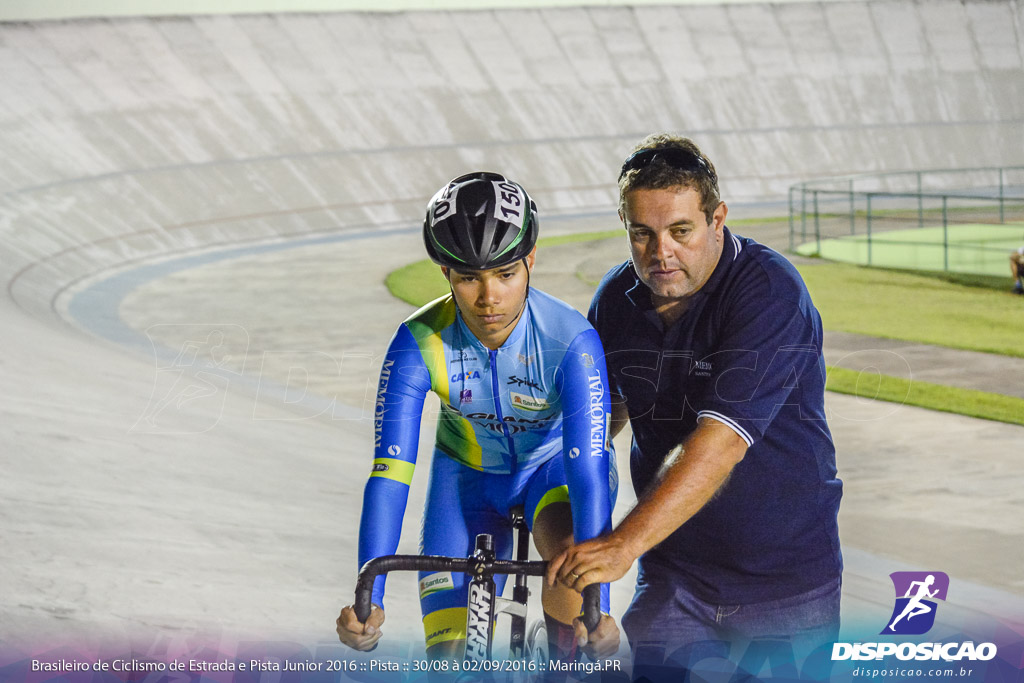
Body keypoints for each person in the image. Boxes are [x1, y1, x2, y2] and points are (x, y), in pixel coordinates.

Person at [547, 135, 843, 674]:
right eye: (642, 233)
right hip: (673, 578)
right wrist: (534, 472)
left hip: (783, 585)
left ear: (717, 219)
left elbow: (721, 443)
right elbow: (599, 422)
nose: (661, 253)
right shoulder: (616, 300)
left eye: (680, 231)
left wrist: (622, 545)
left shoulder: (769, 291)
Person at [336, 172, 620, 668]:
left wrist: (599, 609)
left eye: (506, 274)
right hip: (465, 480)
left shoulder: (570, 341)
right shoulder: (418, 341)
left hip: (552, 475)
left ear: (531, 259)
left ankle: (565, 658)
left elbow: (588, 473)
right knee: (449, 663)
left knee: (569, 561)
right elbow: (390, 473)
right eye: (469, 277)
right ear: (446, 273)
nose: (489, 298)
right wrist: (369, 597)